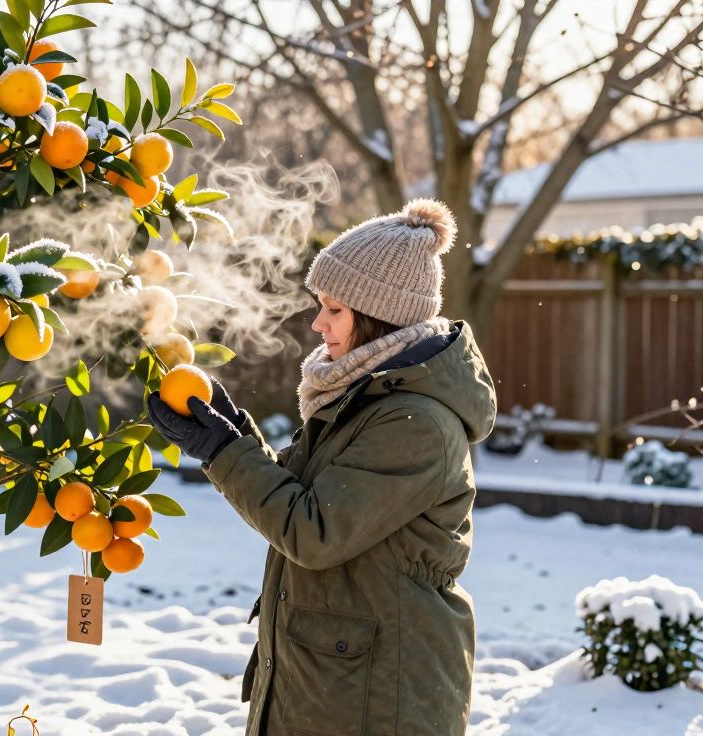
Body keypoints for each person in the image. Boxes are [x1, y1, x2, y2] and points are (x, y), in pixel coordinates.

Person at [148, 199, 497, 735]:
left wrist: (222, 449)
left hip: (379, 699)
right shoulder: (362, 399)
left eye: (334, 310)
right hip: (335, 683)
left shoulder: (414, 423)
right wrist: (234, 431)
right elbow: (301, 492)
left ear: (379, 315)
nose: (318, 323)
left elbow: (314, 530)